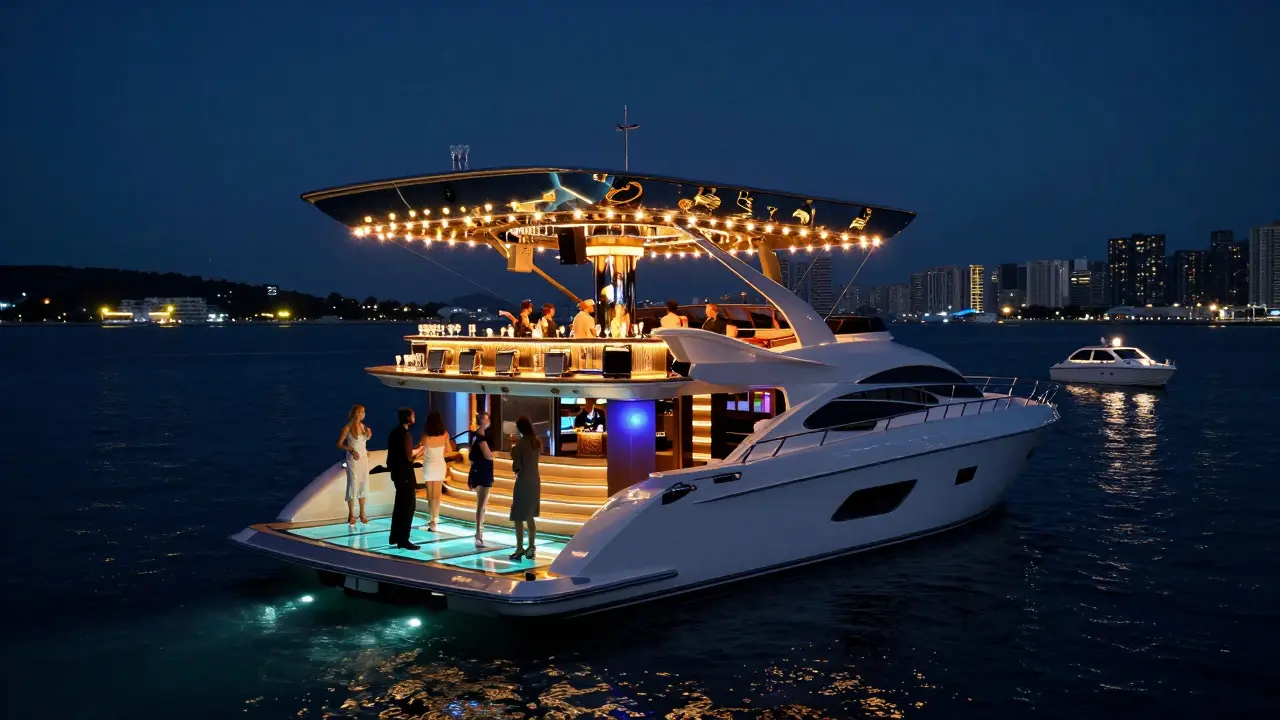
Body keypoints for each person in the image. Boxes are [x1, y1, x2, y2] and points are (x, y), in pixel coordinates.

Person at [387, 407, 424, 550]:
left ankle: (395, 537)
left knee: (399, 506)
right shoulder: (405, 435)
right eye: (413, 415)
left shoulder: (394, 433)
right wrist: (421, 451)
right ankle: (403, 539)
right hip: (405, 475)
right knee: (408, 507)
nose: (414, 418)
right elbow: (409, 457)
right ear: (408, 418)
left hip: (397, 474)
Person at [508, 415, 542, 560]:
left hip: (523, 482)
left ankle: (519, 547)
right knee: (530, 515)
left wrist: (512, 450)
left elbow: (516, 467)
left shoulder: (520, 445)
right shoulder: (536, 442)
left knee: (518, 516)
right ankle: (531, 546)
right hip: (535, 481)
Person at [420, 411, 456, 532]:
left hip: (428, 465)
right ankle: (436, 518)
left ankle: (431, 519)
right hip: (440, 465)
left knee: (430, 494)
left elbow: (420, 449)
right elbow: (449, 450)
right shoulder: (445, 434)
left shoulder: (425, 436)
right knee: (437, 494)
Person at [337, 404, 372, 525]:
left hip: (363, 459)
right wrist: (351, 450)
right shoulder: (347, 428)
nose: (364, 414)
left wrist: (368, 435)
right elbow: (340, 444)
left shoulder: (363, 426)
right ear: (357, 413)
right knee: (353, 484)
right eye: (362, 412)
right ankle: (351, 513)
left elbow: (364, 442)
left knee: (363, 483)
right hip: (353, 459)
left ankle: (362, 513)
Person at [467, 412, 495, 548]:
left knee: (481, 505)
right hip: (484, 473)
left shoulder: (474, 437)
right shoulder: (481, 438)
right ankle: (478, 534)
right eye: (487, 419)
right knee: (481, 506)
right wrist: (494, 454)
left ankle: (479, 533)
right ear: (483, 421)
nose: (489, 420)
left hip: (477, 472)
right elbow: (488, 455)